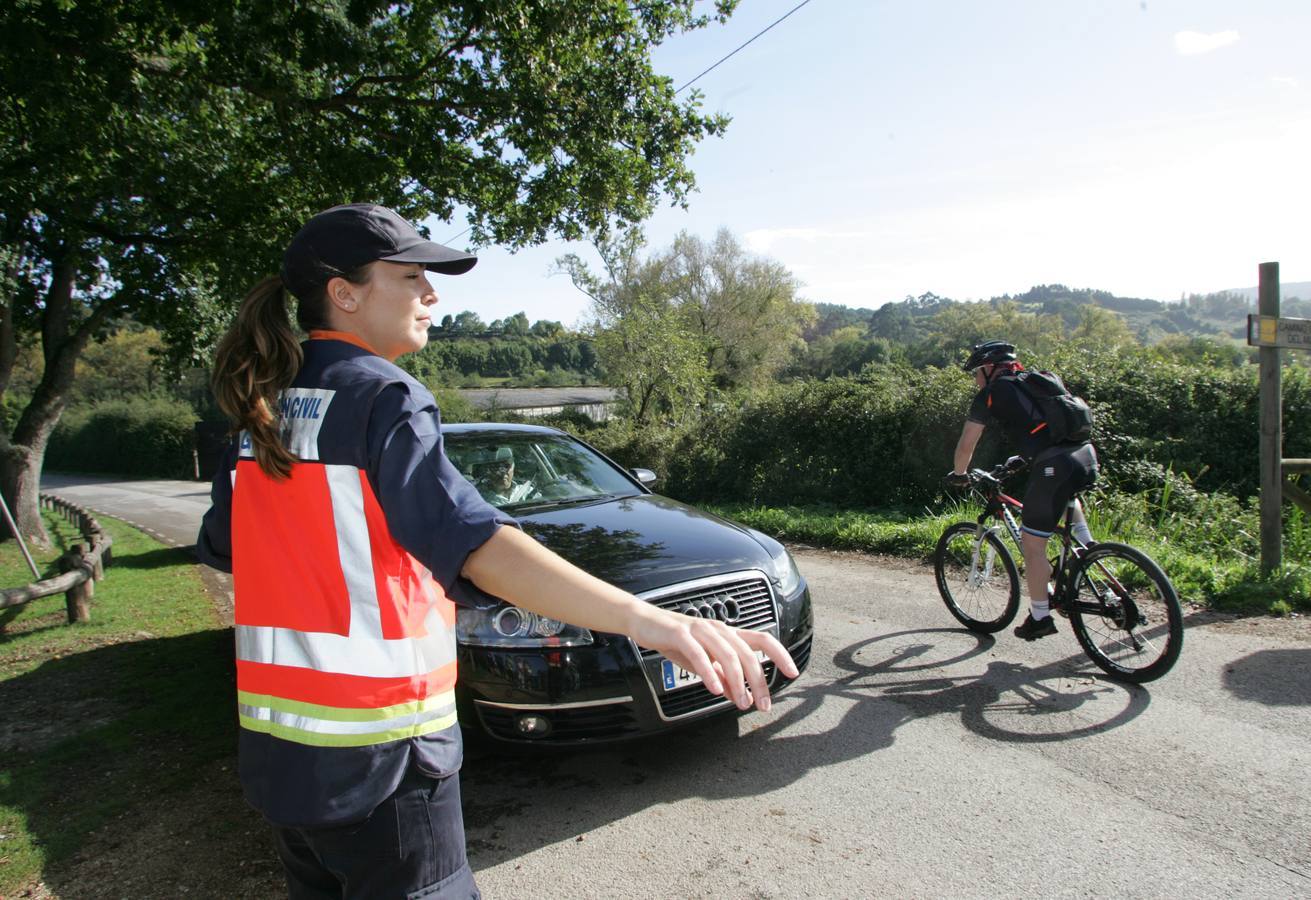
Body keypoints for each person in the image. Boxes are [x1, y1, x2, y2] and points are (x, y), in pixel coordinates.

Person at [196, 203, 797, 899]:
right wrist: (655, 622)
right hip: (383, 760)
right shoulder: (382, 395)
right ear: (344, 292)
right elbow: (480, 546)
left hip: (284, 759)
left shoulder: (267, 404)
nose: (432, 294)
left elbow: (224, 541)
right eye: (412, 276)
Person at [946, 340, 1099, 641]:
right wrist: (1023, 458)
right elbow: (1048, 427)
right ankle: (1090, 553)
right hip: (1084, 455)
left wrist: (960, 474)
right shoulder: (1041, 379)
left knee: (1033, 546)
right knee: (1067, 499)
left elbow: (967, 443)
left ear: (990, 369)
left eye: (977, 371)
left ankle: (1040, 617)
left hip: (1055, 464)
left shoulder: (990, 394)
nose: (976, 378)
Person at [472, 446, 536, 505]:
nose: (502, 472)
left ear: (513, 467)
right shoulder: (479, 499)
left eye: (506, 466)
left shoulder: (527, 491)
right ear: (488, 471)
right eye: (495, 468)